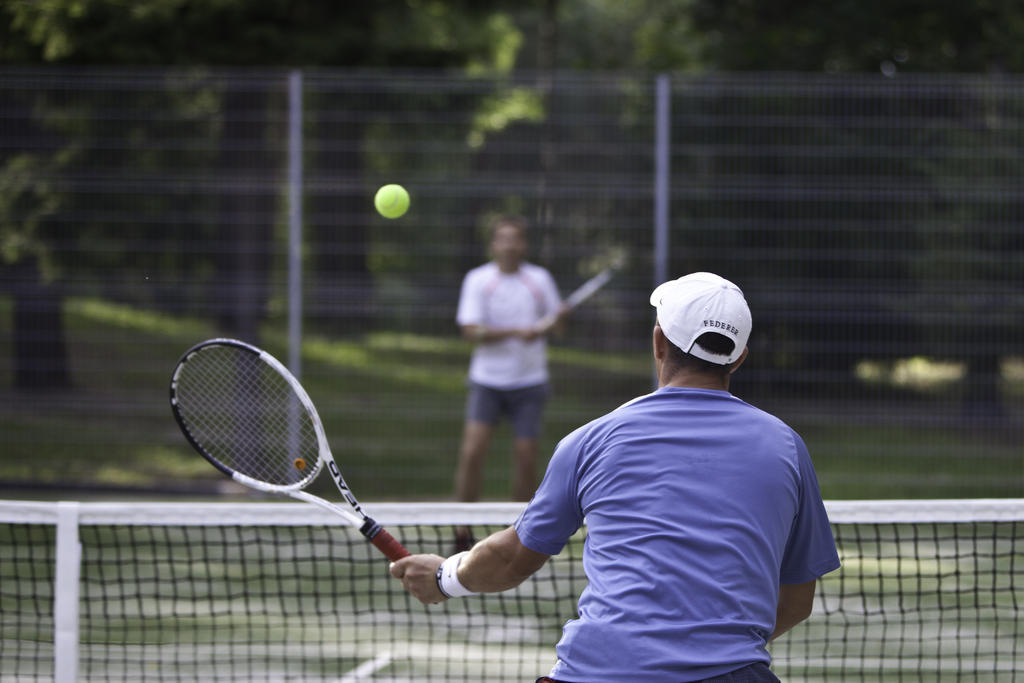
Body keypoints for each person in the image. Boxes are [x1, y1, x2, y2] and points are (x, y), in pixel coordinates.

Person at [392, 272, 841, 682]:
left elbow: (511, 561)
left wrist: (444, 577)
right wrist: (711, 653)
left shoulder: (590, 441)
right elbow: (796, 601)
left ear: (659, 343)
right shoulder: (788, 448)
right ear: (739, 358)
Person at [453, 215, 567, 517]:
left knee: (527, 458)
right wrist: (519, 332)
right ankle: (460, 527)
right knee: (472, 453)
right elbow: (470, 331)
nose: (509, 245)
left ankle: (518, 531)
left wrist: (557, 320)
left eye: (515, 239)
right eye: (502, 239)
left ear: (524, 245)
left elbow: (558, 329)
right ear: (493, 244)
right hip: (486, 382)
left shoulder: (539, 280)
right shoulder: (478, 280)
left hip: (530, 383)